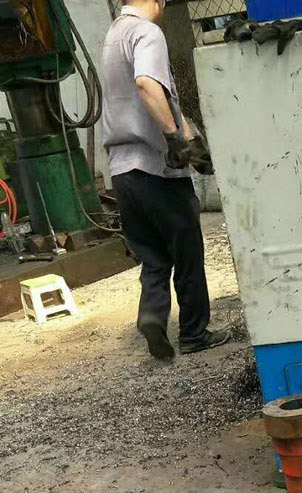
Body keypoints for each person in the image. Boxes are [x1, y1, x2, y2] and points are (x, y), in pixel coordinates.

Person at [101, 0, 230, 360]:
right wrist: (175, 139)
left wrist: (191, 141)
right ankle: (194, 333)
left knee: (153, 255)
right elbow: (147, 85)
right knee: (187, 249)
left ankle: (152, 316)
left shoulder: (113, 36)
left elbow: (158, 94)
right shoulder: (147, 32)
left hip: (122, 172)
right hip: (157, 166)